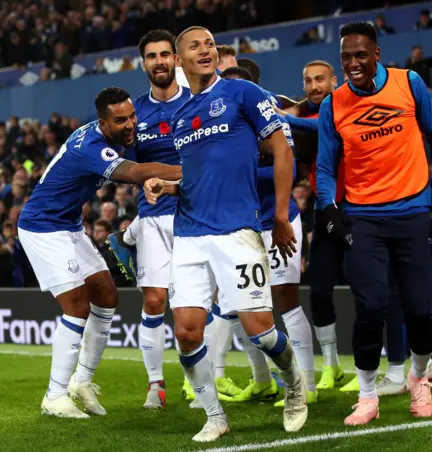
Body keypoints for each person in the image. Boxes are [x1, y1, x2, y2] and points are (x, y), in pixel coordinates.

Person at [143, 26, 307, 442]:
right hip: (190, 234)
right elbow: (198, 175)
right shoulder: (179, 116)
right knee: (185, 332)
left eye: (210, 44)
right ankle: (215, 415)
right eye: (195, 45)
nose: (206, 50)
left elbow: (283, 150)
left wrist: (283, 213)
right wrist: (166, 185)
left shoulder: (244, 94)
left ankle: (294, 383)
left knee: (260, 330)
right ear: (179, 60)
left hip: (238, 231)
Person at [316, 22, 432, 425]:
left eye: (361, 55)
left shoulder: (409, 83)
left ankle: (419, 377)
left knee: (418, 310)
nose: (354, 63)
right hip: (362, 219)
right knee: (370, 308)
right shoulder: (334, 104)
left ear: (376, 53)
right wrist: (329, 209)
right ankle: (367, 396)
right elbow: (326, 167)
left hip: (412, 213)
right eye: (346, 57)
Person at [17, 87, 182, 419]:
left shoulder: (105, 136)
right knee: (77, 305)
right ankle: (55, 395)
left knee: (106, 295)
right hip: (42, 228)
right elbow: (136, 174)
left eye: (132, 116)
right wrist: (193, 169)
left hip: (68, 225)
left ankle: (82, 381)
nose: (130, 124)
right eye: (121, 120)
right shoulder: (91, 147)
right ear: (103, 124)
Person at [107, 30, 237, 409]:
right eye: (152, 56)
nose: (160, 61)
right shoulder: (134, 113)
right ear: (143, 63)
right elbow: (124, 163)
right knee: (153, 300)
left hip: (195, 215)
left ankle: (203, 385)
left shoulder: (197, 103)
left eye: (166, 54)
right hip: (153, 219)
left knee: (200, 303)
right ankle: (155, 386)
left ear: (176, 60)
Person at [217, 64, 318, 407]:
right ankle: (262, 380)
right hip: (241, 226)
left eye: (237, 86)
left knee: (286, 300)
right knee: (236, 305)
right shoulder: (221, 124)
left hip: (280, 220)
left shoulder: (272, 115)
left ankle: (309, 383)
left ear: (254, 87)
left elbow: (285, 161)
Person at [275, 60, 346, 390]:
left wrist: (283, 117)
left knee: (373, 290)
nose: (314, 86)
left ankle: (410, 363)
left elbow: (326, 127)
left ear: (335, 80)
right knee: (318, 292)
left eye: (320, 79)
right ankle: (332, 367)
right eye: (308, 80)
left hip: (362, 209)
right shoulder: (303, 116)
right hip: (325, 210)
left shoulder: (346, 105)